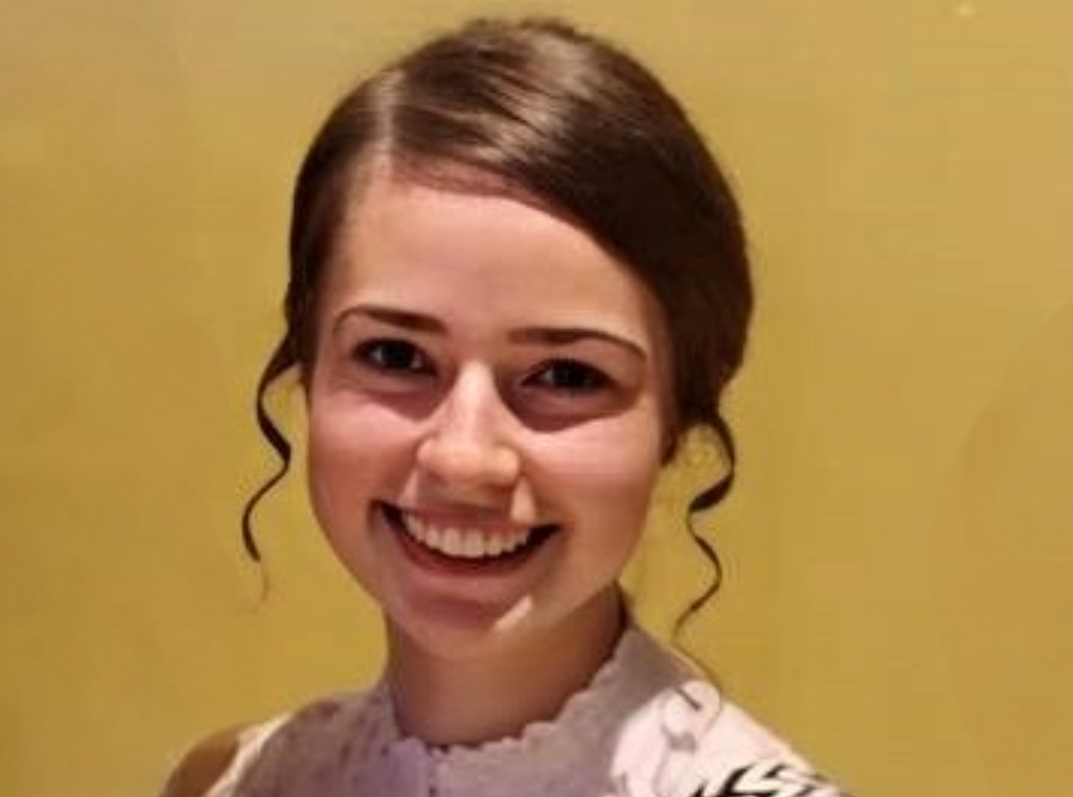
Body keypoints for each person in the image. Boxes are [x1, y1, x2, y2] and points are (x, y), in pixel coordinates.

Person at [161, 16, 851, 797]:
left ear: (675, 424)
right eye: (395, 356)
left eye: (567, 374)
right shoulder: (235, 780)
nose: (463, 457)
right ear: (307, 367)